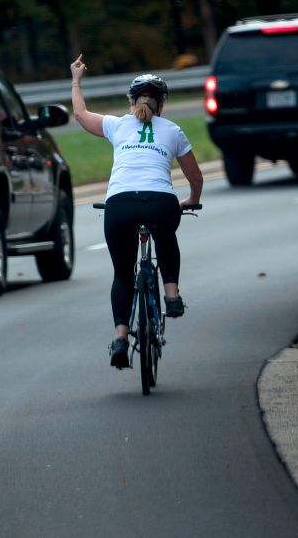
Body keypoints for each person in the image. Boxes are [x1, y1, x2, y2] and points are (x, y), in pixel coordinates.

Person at [70, 53, 204, 369]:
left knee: (122, 273)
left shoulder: (117, 126)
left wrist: (76, 80)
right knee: (166, 235)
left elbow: (80, 114)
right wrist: (192, 199)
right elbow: (194, 177)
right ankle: (171, 295)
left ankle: (119, 338)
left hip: (120, 204)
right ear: (162, 105)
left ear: (132, 102)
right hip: (160, 202)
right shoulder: (173, 130)